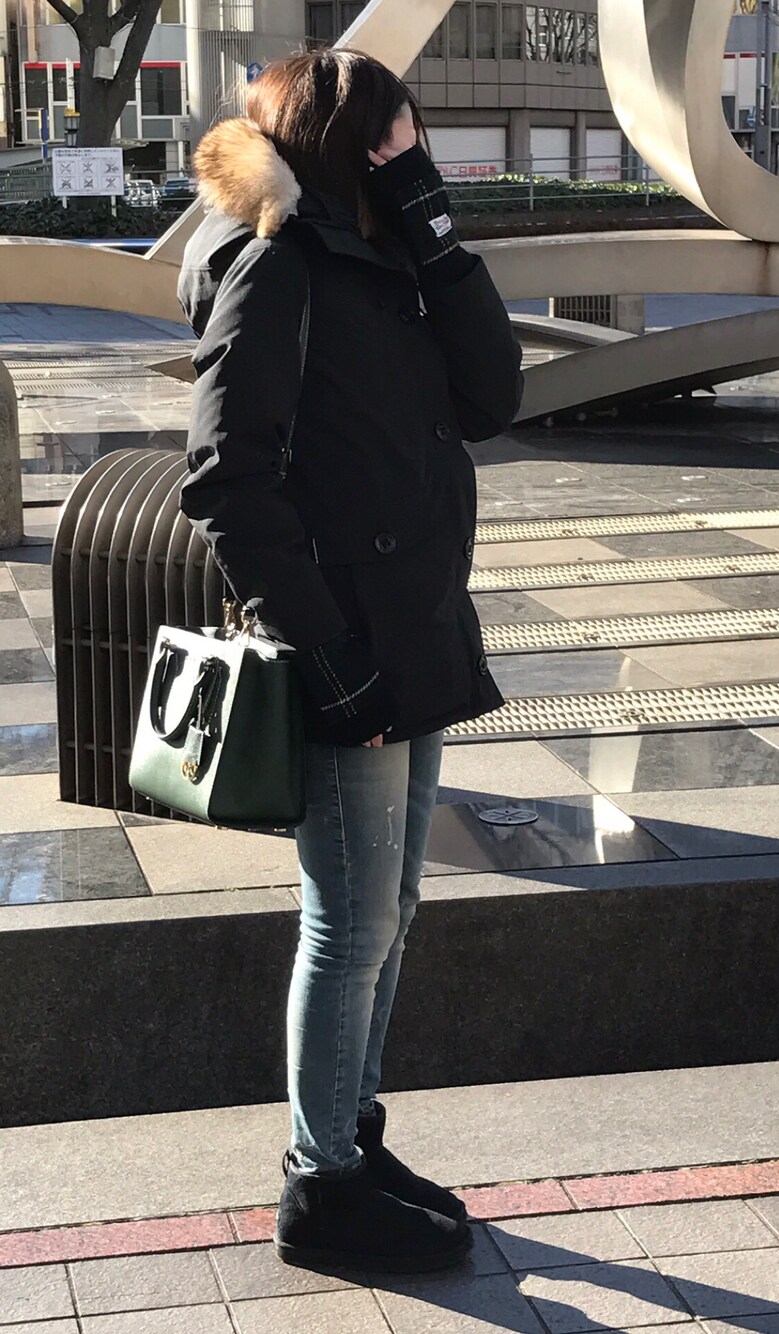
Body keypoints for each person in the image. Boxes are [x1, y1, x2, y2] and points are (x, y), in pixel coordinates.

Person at [177, 47, 523, 1276]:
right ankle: (320, 1183)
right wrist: (325, 656)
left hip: (413, 626)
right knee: (349, 920)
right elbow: (225, 480)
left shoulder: (385, 256)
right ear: (344, 146)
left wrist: (437, 233)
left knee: (392, 908)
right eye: (395, 142)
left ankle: (351, 1138)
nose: (412, 158)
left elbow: (491, 397)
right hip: (348, 644)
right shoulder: (277, 263)